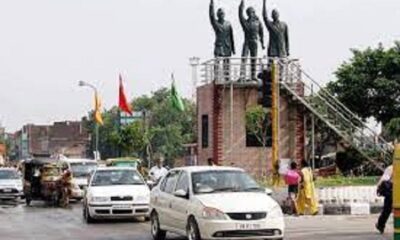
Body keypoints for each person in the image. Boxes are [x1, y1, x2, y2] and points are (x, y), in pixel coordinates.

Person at [209, 0, 235, 81]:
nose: (222, 15)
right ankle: (216, 77)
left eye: (223, 14)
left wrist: (233, 48)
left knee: (227, 63)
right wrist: (211, 4)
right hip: (219, 45)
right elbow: (211, 16)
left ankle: (227, 77)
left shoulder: (228, 24)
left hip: (227, 45)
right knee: (217, 61)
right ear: (218, 15)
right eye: (220, 14)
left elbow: (231, 36)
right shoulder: (216, 24)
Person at [239, 0, 265, 81]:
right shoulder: (245, 23)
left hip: (254, 42)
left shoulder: (258, 22)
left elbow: (261, 33)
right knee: (244, 58)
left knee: (253, 59)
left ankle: (253, 76)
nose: (252, 13)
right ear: (247, 14)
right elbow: (240, 14)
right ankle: (242, 75)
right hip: (247, 42)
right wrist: (242, 3)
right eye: (250, 12)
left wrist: (262, 43)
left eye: (252, 12)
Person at [376, 165, 393, 234]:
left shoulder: (391, 167)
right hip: (392, 192)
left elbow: (383, 179)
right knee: (387, 210)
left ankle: (380, 225)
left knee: (387, 210)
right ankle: (380, 225)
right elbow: (384, 179)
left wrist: (379, 187)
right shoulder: (392, 168)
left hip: (392, 192)